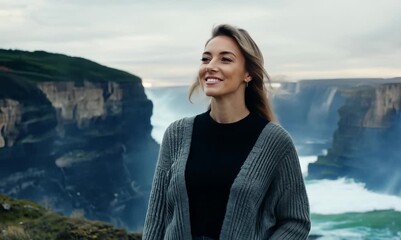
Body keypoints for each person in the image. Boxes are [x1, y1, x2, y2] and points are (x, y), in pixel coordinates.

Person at [143, 24, 311, 240]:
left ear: (248, 73)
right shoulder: (176, 135)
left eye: (225, 59)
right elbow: (156, 219)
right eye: (206, 59)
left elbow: (296, 221)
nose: (211, 66)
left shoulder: (275, 142)